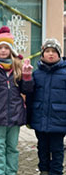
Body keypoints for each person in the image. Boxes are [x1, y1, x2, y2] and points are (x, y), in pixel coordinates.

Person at [0, 26, 33, 175]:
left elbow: (26, 90)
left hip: (15, 114)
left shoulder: (18, 66)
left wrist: (27, 76)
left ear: (11, 50)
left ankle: (11, 172)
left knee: (12, 147)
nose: (3, 50)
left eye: (6, 47)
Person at [26, 38, 66, 175]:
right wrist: (29, 118)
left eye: (54, 51)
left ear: (59, 54)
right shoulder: (37, 74)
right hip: (40, 119)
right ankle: (44, 171)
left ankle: (56, 172)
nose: (50, 54)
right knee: (42, 148)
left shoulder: (64, 73)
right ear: (42, 54)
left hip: (59, 120)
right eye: (47, 51)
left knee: (57, 150)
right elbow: (30, 98)